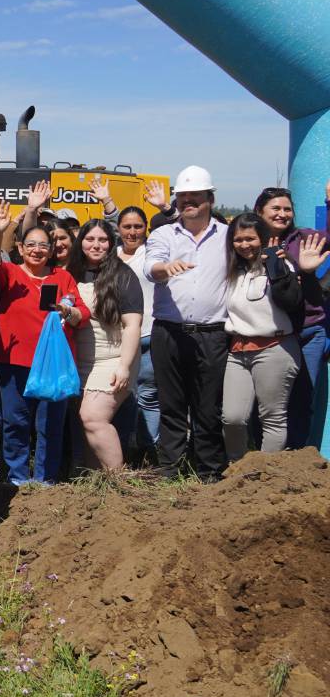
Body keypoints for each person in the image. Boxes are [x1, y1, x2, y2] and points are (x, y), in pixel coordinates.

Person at [0, 201, 91, 485]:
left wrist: (67, 311)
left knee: (49, 426)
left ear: (51, 250)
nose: (37, 250)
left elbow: (82, 314)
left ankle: (45, 480)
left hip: (51, 365)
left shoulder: (62, 277)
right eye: (30, 244)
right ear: (20, 248)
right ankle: (17, 477)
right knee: (16, 423)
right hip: (13, 363)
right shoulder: (10, 273)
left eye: (43, 245)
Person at [143, 166, 230, 482]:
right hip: (169, 332)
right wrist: (166, 267)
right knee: (171, 405)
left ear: (210, 198)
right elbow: (151, 266)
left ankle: (209, 470)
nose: (189, 201)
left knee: (208, 407)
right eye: (183, 196)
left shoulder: (226, 236)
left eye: (196, 196)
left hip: (213, 335)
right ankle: (170, 469)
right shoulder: (163, 234)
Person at [221, 214, 325, 461]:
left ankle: (268, 477)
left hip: (275, 349)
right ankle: (238, 471)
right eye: (238, 240)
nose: (244, 245)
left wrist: (276, 266)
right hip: (238, 351)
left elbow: (291, 300)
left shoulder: (281, 264)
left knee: (272, 417)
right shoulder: (233, 271)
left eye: (250, 239)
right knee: (232, 417)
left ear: (264, 239)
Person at [252, 185, 330, 449]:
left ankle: (297, 460)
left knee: (301, 398)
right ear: (258, 212)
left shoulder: (304, 238)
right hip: (268, 333)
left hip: (308, 331)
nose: (282, 214)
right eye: (275, 208)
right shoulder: (247, 241)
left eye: (287, 209)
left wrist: (329, 202)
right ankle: (262, 457)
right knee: (263, 401)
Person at [65, 219, 143, 471]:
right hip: (79, 361)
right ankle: (94, 481)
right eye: (90, 239)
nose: (96, 245)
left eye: (103, 240)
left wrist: (124, 366)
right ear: (81, 242)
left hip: (113, 359)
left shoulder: (123, 275)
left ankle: (118, 480)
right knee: (86, 424)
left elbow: (132, 326)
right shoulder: (70, 272)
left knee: (93, 417)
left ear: (111, 244)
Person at [116, 206, 159, 459]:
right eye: (127, 227)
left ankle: (148, 449)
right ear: (119, 229)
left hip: (148, 334)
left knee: (148, 395)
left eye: (138, 226)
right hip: (116, 339)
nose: (132, 232)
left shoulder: (151, 253)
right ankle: (123, 448)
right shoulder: (111, 255)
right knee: (122, 394)